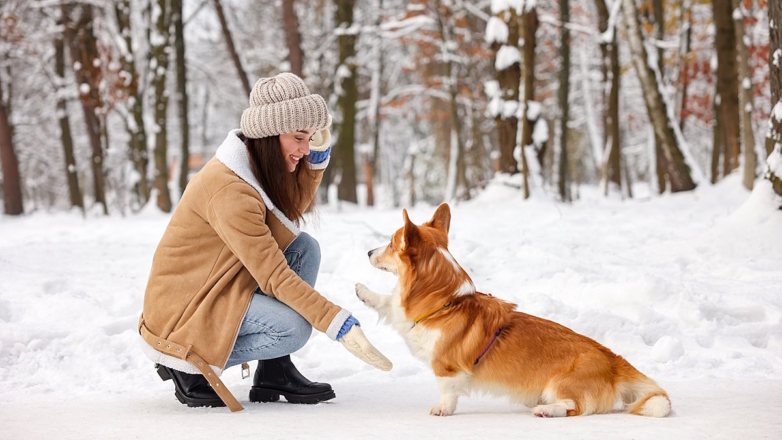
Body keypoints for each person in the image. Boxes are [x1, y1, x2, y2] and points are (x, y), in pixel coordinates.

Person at [138, 72, 391, 412]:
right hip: (186, 310)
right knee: (293, 328)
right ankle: (185, 360)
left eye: (311, 138)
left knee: (304, 248)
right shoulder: (230, 190)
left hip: (219, 285)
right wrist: (338, 324)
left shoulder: (251, 165)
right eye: (299, 138)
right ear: (270, 135)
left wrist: (315, 163)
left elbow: (281, 221)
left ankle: (274, 371)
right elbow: (274, 276)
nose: (304, 148)